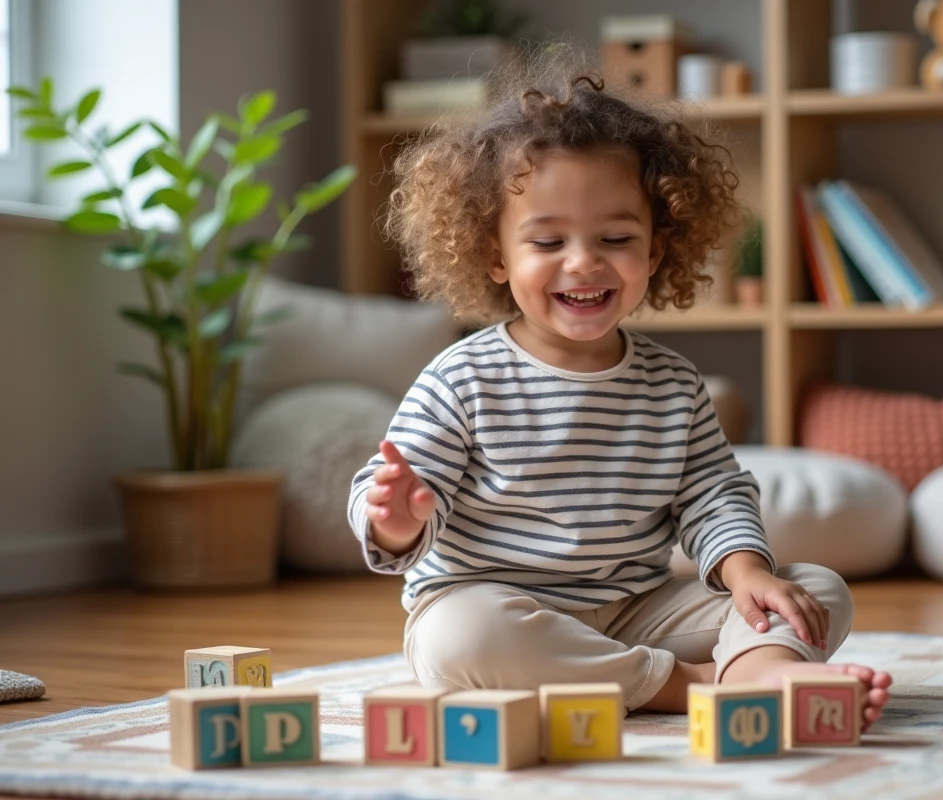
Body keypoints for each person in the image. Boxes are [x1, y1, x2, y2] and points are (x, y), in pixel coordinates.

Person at [347, 54, 891, 726]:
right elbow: (394, 497)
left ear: (657, 250)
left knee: (815, 589)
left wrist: (748, 574)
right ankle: (703, 687)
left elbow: (712, 494)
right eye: (547, 240)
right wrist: (396, 523)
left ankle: (758, 670)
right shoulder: (462, 378)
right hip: (505, 612)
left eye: (615, 237)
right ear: (494, 256)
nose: (584, 261)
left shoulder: (672, 383)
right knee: (458, 637)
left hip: (640, 612)